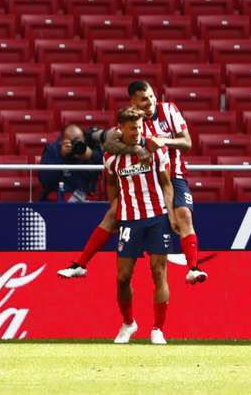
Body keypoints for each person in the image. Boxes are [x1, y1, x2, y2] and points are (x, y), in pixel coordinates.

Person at [58, 81, 208, 284]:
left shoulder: (169, 110)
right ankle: (80, 265)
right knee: (112, 216)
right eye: (144, 99)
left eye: (152, 96)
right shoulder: (133, 120)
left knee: (184, 215)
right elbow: (111, 142)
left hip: (173, 174)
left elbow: (187, 143)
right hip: (144, 178)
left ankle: (192, 268)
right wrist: (136, 150)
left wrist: (162, 142)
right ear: (134, 102)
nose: (150, 102)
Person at [105, 107, 177, 345]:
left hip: (157, 216)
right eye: (132, 127)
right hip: (130, 219)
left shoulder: (156, 151)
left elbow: (167, 184)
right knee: (123, 276)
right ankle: (128, 323)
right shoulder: (112, 157)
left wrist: (171, 213)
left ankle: (158, 329)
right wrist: (114, 212)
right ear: (121, 128)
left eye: (139, 127)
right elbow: (111, 185)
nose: (137, 131)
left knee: (159, 272)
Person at [38, 124, 103, 202]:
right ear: (62, 141)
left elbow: (108, 166)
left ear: (84, 140)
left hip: (85, 200)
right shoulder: (53, 150)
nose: (75, 145)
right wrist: (61, 157)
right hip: (58, 200)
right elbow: (45, 180)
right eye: (72, 142)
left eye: (79, 141)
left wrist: (92, 155)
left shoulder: (89, 149)